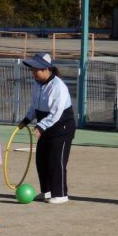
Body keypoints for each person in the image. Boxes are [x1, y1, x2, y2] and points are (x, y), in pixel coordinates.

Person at [17, 53, 76, 204]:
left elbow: (56, 112)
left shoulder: (58, 86)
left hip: (62, 127)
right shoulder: (36, 84)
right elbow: (34, 106)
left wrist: (41, 126)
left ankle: (61, 194)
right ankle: (47, 191)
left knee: (56, 160)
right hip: (45, 126)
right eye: (32, 69)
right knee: (41, 160)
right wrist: (26, 119)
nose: (34, 72)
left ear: (46, 68)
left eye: (36, 69)